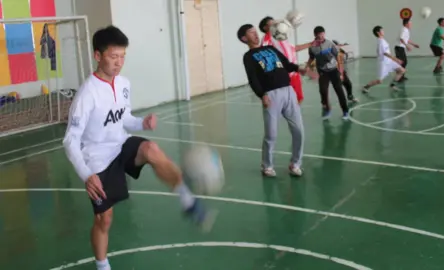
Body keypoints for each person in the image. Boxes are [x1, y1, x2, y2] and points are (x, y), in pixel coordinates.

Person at [62, 25, 209, 270]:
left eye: (122, 57)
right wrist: (87, 175)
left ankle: (187, 199)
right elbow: (70, 140)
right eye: (113, 56)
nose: (119, 63)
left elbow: (124, 118)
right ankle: (102, 265)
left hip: (121, 144)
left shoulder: (123, 83)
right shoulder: (86, 96)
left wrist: (142, 123)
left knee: (151, 149)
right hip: (98, 159)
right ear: (98, 56)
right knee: (104, 220)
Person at [237, 23, 305, 177]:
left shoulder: (271, 49)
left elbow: (286, 65)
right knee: (271, 134)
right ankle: (267, 166)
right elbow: (252, 78)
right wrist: (262, 95)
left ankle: (295, 164)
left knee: (299, 130)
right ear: (244, 38)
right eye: (251, 33)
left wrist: (299, 68)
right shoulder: (248, 57)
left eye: (255, 31)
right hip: (271, 95)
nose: (255, 34)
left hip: (288, 91)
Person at [259, 16, 313, 104]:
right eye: (272, 23)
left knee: (298, 99)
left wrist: (311, 44)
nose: (275, 24)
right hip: (283, 75)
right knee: (288, 102)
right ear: (265, 27)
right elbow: (266, 56)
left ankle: (295, 116)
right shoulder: (266, 40)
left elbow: (294, 48)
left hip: (294, 73)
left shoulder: (281, 38)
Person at [306, 26, 349, 120]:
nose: (321, 36)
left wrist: (341, 72)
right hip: (322, 71)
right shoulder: (312, 47)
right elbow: (311, 58)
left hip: (333, 70)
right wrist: (307, 67)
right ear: (315, 35)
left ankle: (345, 111)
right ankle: (328, 110)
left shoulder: (330, 44)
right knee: (323, 91)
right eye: (319, 35)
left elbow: (338, 57)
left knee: (339, 91)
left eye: (322, 34)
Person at [361, 26, 405, 93]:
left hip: (389, 61)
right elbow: (385, 53)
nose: (383, 31)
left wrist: (393, 60)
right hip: (383, 63)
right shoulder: (380, 42)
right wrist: (396, 59)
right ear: (378, 33)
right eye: (382, 30)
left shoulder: (383, 40)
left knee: (402, 70)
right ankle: (365, 87)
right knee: (379, 81)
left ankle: (392, 85)